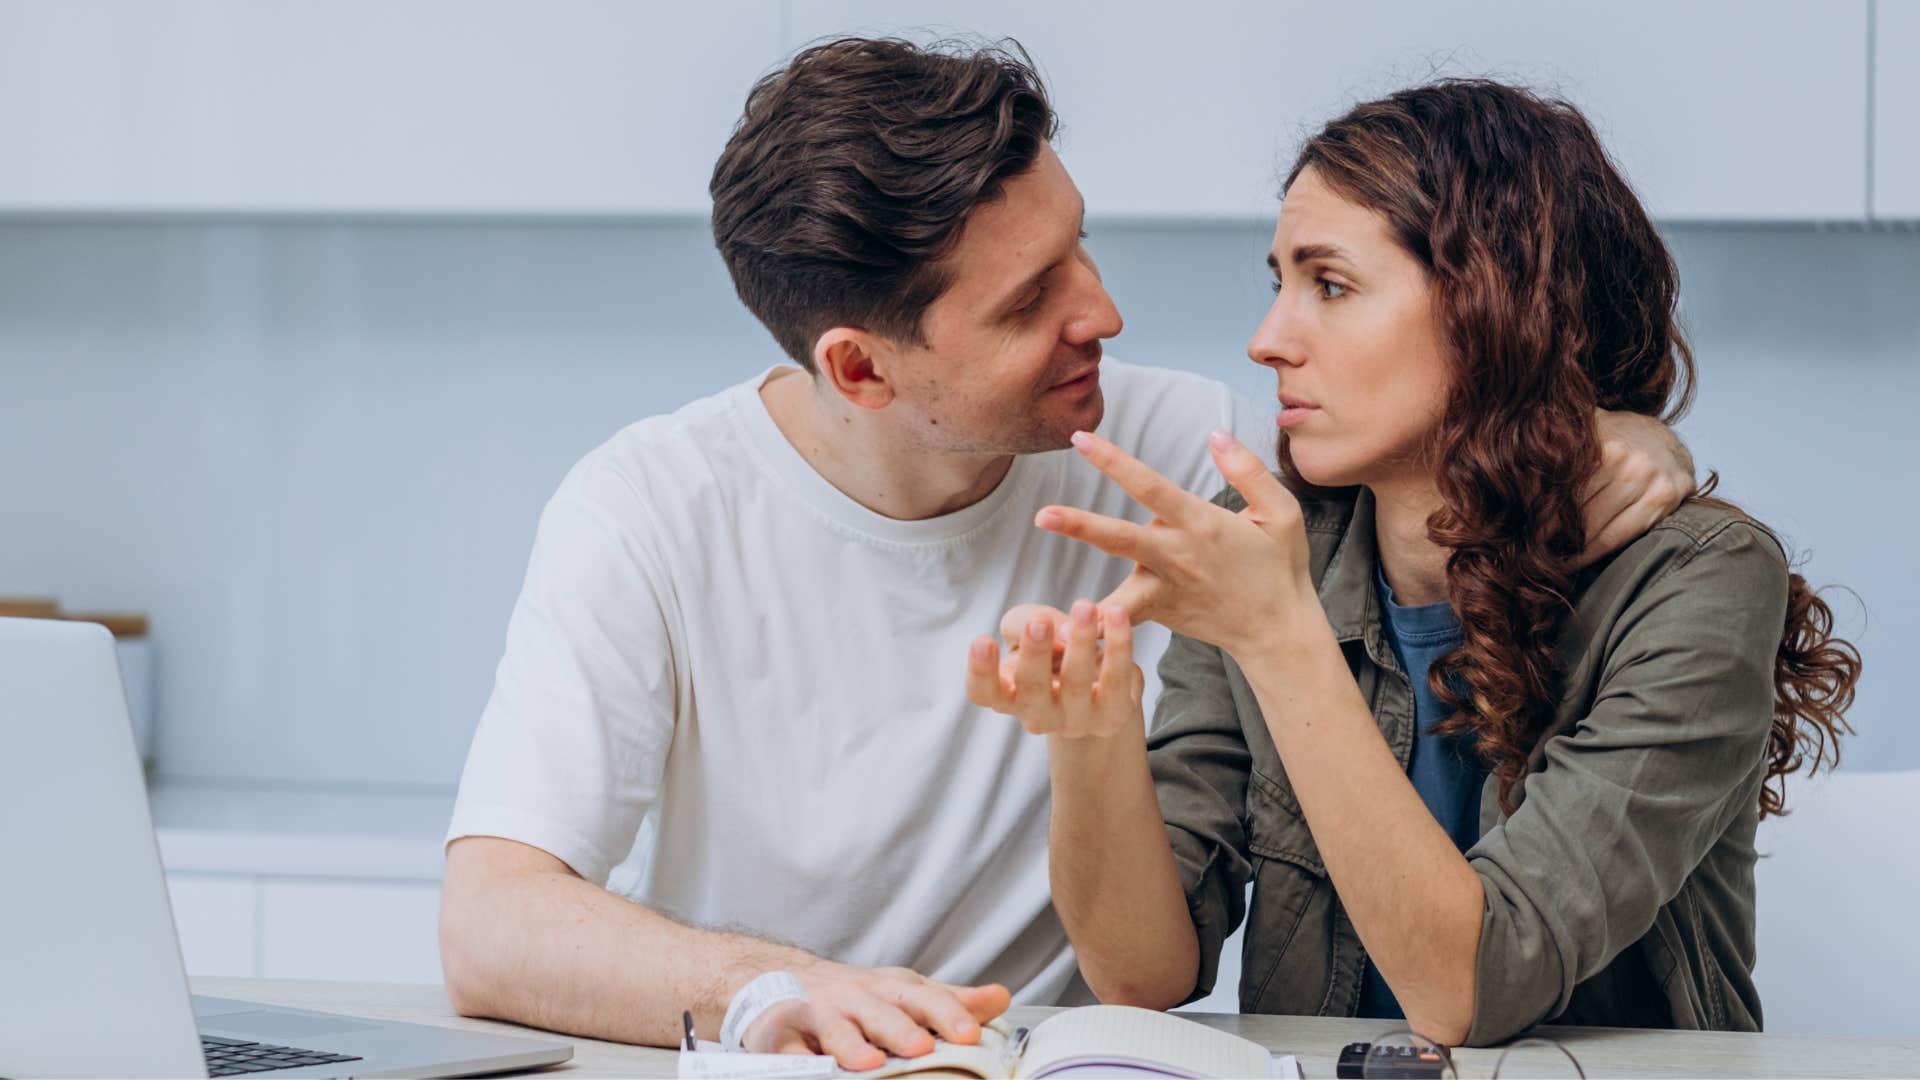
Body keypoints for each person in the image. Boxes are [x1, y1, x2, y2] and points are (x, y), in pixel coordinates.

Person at [438, 42, 1698, 1069]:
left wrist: (1619, 432)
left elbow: (1438, 413)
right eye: (1029, 301)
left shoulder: (1178, 457)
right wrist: (774, 988)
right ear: (861, 369)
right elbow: (491, 921)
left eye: (1077, 247)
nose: (1100, 311)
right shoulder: (649, 507)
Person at [968, 78, 1861, 1048]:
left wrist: (1277, 634)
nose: (1269, 341)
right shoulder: (1272, 543)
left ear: (1494, 308)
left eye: (1332, 285)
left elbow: (1472, 987)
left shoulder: (1696, 582)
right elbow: (1145, 971)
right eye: (1280, 282)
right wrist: (1088, 738)